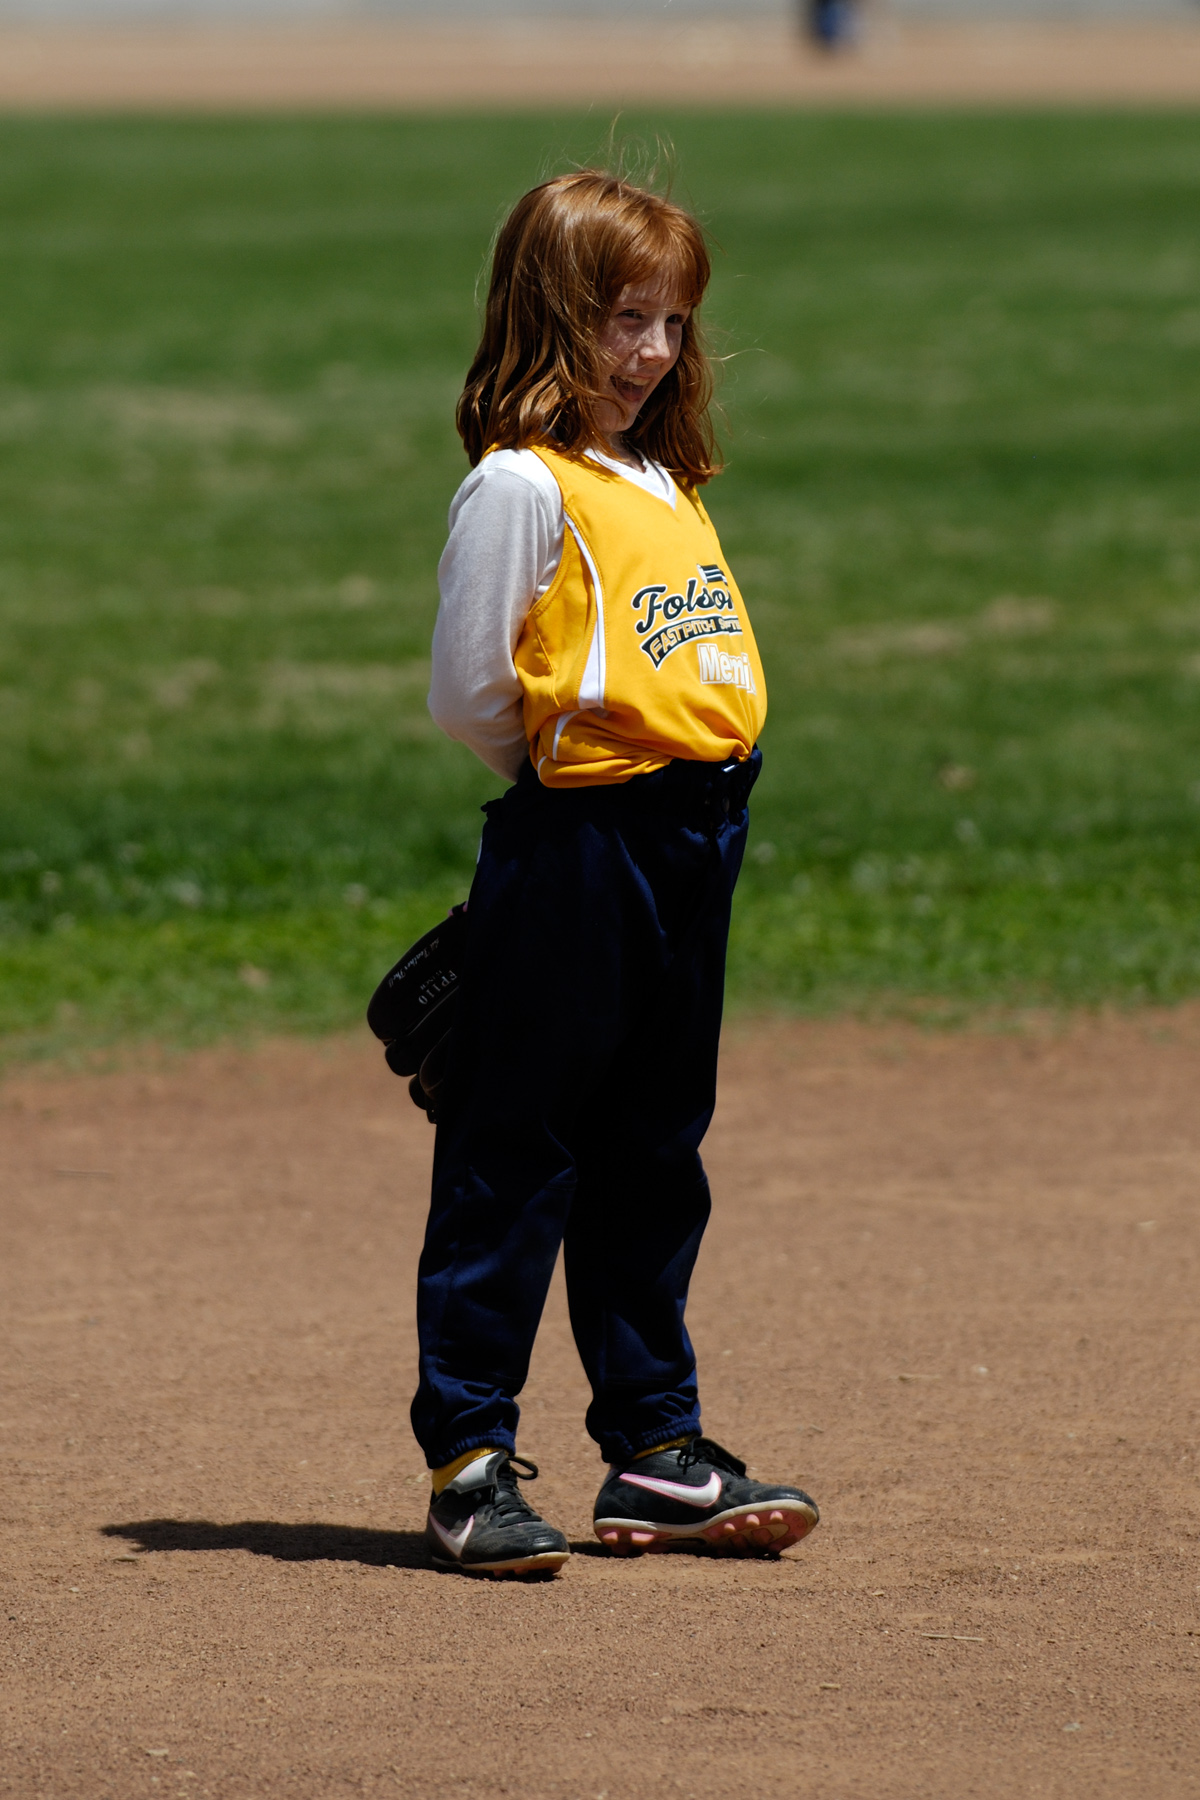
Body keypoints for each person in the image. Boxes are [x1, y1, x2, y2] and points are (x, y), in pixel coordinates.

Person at [415, 167, 820, 1577]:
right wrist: (565, 811)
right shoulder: (523, 486)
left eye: (671, 322)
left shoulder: (661, 476)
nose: (651, 352)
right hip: (584, 838)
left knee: (656, 1145)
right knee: (518, 1148)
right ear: (546, 316)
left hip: (699, 836)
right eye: (619, 319)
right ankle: (470, 1459)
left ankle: (655, 1448)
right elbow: (472, 696)